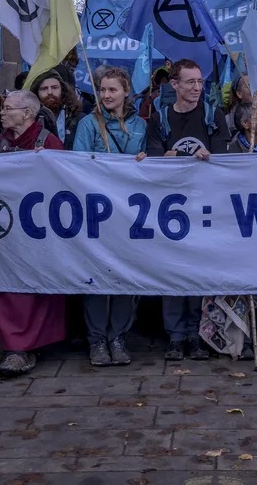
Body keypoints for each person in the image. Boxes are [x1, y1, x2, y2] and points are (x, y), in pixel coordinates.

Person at [145, 59, 229, 361]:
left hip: (204, 206)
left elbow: (223, 155)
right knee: (172, 271)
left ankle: (196, 334)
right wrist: (166, 157)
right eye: (190, 82)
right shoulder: (160, 118)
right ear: (175, 85)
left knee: (198, 271)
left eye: (199, 82)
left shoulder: (212, 114)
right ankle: (175, 336)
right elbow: (154, 158)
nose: (196, 88)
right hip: (171, 209)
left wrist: (208, 156)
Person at [0, 89, 67, 377]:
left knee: (38, 288)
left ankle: (35, 343)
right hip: (7, 230)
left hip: (40, 230)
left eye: (7, 108)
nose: (2, 112)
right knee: (8, 287)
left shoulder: (49, 143)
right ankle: (14, 346)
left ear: (27, 114)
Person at [73, 67, 147, 366]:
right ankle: (97, 340)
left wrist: (145, 162)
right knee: (96, 278)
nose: (106, 95)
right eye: (102, 90)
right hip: (97, 211)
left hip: (128, 213)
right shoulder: (88, 124)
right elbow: (77, 163)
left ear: (126, 91)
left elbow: (147, 163)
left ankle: (118, 336)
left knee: (125, 277)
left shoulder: (140, 124)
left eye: (112, 90)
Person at [31, 67, 84, 148]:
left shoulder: (79, 119)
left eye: (54, 87)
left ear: (62, 90)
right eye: (44, 89)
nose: (50, 92)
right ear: (36, 93)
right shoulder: (30, 120)